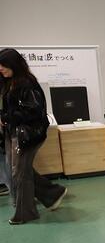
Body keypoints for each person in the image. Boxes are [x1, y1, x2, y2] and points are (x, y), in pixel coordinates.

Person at [0, 48, 67, 225]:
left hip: (28, 134)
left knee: (20, 172)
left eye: (3, 65)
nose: (0, 69)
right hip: (13, 132)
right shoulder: (8, 82)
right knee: (20, 170)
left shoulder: (27, 84)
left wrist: (6, 117)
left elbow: (33, 111)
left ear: (14, 65)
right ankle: (53, 193)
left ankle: (26, 213)